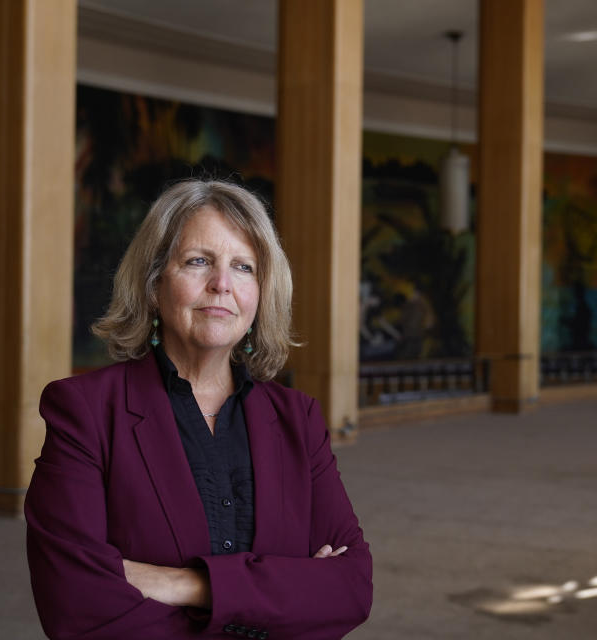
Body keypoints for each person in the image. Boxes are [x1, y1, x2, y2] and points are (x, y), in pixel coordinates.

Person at [24, 179, 372, 639]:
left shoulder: (298, 419)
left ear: (260, 295)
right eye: (198, 261)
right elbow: (73, 604)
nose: (222, 284)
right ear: (153, 284)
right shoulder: (85, 412)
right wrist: (285, 593)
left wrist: (188, 585)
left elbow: (350, 588)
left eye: (244, 267)